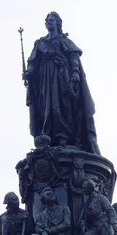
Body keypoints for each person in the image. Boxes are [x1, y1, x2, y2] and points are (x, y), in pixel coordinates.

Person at [23, 12, 100, 155]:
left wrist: (75, 73)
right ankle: (48, 136)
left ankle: (64, 137)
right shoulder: (40, 43)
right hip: (44, 79)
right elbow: (32, 62)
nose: (48, 22)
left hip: (61, 75)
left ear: (58, 23)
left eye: (51, 20)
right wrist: (29, 72)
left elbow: (73, 56)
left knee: (63, 105)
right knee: (46, 107)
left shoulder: (64, 41)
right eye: (46, 21)